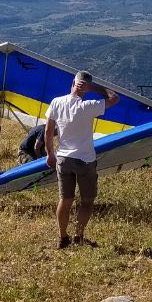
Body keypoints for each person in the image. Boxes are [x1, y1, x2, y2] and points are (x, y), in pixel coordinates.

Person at [45, 71, 119, 249]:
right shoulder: (89, 105)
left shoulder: (56, 102)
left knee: (65, 199)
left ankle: (63, 238)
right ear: (85, 88)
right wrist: (93, 87)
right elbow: (114, 98)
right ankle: (78, 237)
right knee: (87, 201)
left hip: (63, 158)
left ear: (72, 83)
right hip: (85, 160)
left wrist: (50, 154)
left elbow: (48, 131)